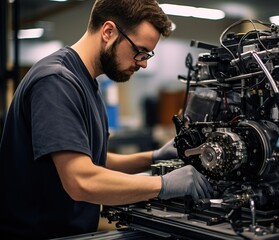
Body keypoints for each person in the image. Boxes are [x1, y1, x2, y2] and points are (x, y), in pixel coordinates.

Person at [0, 0, 213, 239]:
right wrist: (163, 185)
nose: (143, 63)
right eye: (139, 51)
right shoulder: (56, 81)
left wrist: (152, 158)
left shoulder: (85, 81)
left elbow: (92, 161)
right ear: (108, 32)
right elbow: (81, 180)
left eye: (147, 55)